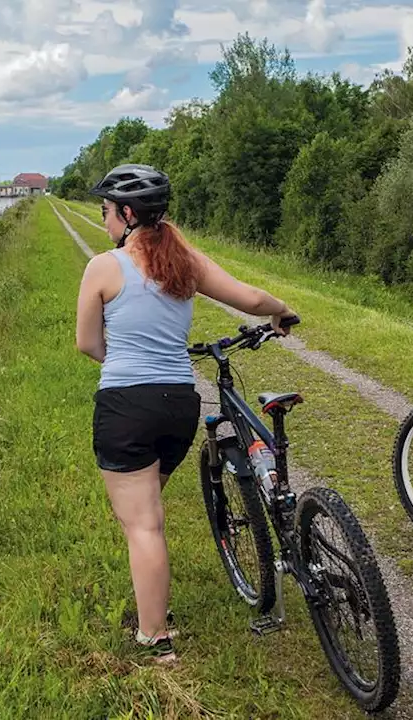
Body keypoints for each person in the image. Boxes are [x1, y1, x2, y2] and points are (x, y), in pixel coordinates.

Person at [75, 163, 298, 661]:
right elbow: (252, 297)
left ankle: (155, 638)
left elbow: (87, 343)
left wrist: (121, 363)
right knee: (146, 513)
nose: (106, 221)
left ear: (128, 214)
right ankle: (153, 604)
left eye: (107, 211)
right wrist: (281, 310)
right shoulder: (185, 260)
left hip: (127, 404)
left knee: (143, 525)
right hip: (180, 403)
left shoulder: (103, 267)